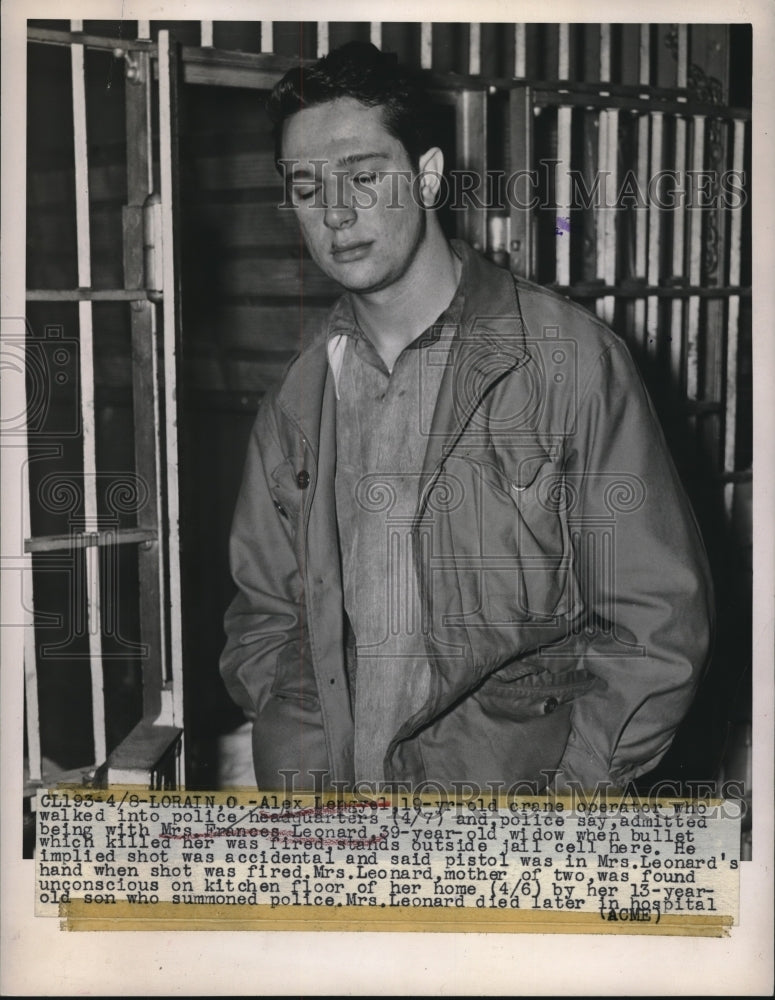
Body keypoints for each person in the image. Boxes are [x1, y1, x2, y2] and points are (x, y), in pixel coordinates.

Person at [219, 41, 713, 796]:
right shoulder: (301, 393)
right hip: (338, 824)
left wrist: (566, 796)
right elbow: (263, 614)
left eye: (363, 176)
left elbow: (656, 621)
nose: (337, 212)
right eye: (307, 187)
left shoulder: (564, 360)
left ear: (425, 175)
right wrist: (301, 758)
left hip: (508, 821)